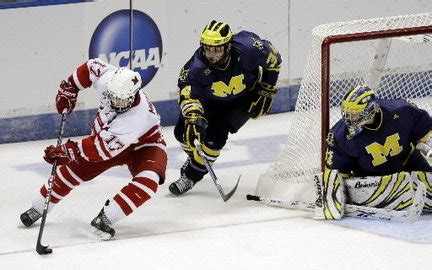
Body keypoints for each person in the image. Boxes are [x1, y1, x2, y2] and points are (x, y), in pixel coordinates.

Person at [20, 59, 167, 239]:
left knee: (149, 180)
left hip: (145, 144)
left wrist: (70, 150)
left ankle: (106, 217)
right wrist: (70, 88)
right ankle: (38, 206)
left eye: (120, 99)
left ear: (132, 96)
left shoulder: (136, 117)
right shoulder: (110, 81)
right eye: (112, 95)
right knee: (73, 171)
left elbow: (100, 149)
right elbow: (91, 67)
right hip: (106, 139)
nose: (114, 101)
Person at [168, 20, 282, 196]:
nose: (212, 55)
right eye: (208, 49)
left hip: (243, 100)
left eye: (217, 49)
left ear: (228, 46)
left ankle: (190, 177)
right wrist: (193, 117)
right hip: (210, 102)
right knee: (181, 133)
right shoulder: (194, 68)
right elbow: (188, 94)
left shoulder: (249, 48)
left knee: (215, 138)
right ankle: (197, 161)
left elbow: (274, 60)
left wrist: (266, 89)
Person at [320, 84, 432, 218]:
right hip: (372, 179)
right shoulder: (340, 135)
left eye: (355, 114)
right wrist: (335, 194)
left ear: (371, 109)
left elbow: (425, 131)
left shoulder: (402, 110)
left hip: (408, 162)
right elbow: (336, 172)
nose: (349, 119)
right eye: (347, 113)